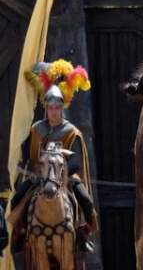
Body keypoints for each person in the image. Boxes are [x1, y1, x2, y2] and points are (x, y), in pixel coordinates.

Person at [9, 83, 97, 252]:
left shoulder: (71, 132)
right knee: (16, 199)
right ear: (46, 109)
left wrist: (60, 173)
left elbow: (76, 162)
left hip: (65, 177)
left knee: (85, 200)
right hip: (39, 176)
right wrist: (29, 169)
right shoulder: (37, 130)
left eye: (57, 108)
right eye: (51, 108)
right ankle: (20, 234)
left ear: (62, 108)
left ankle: (83, 234)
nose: (54, 112)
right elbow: (28, 155)